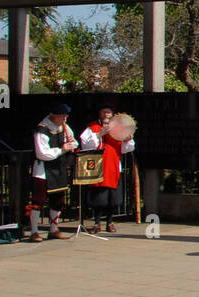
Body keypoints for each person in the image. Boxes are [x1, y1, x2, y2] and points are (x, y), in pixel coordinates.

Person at [78, 107, 136, 234]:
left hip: (114, 166)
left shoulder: (119, 127)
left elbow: (126, 149)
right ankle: (97, 222)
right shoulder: (92, 127)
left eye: (108, 112)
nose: (106, 114)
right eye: (104, 111)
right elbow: (85, 144)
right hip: (98, 166)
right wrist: (99, 134)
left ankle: (110, 222)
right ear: (99, 113)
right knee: (99, 198)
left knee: (113, 198)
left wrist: (128, 140)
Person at [28, 103, 80, 242]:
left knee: (58, 200)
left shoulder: (64, 126)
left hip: (58, 168)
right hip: (43, 170)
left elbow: (74, 142)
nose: (65, 119)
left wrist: (70, 145)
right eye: (62, 116)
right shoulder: (42, 130)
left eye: (66, 116)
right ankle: (34, 231)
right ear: (54, 115)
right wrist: (62, 149)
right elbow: (42, 153)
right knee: (38, 201)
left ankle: (53, 229)